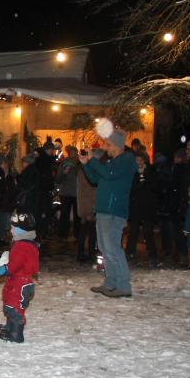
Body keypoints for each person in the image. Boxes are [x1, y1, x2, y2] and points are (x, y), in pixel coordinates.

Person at [81, 123, 137, 298]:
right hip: (105, 210)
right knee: (105, 248)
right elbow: (96, 179)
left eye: (108, 144)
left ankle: (123, 285)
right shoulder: (113, 162)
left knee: (113, 248)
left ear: (117, 145)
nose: (105, 148)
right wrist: (86, 165)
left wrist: (93, 161)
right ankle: (111, 282)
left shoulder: (126, 160)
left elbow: (108, 174)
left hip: (114, 211)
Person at [0, 212, 38, 343]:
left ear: (20, 230)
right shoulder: (24, 244)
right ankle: (10, 327)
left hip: (20, 283)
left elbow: (16, 263)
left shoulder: (22, 246)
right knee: (10, 305)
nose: (11, 230)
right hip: (18, 281)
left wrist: (5, 269)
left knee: (15, 308)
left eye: (13, 228)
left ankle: (16, 333)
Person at [125, 152, 160, 266]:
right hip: (135, 206)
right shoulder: (131, 172)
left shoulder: (151, 171)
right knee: (133, 231)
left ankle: (153, 255)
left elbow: (156, 188)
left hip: (147, 206)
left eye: (140, 160)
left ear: (144, 160)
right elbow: (129, 189)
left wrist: (146, 181)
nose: (138, 162)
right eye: (136, 160)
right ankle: (130, 253)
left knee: (148, 232)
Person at [75, 150, 98, 263]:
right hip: (89, 205)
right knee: (90, 231)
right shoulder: (87, 171)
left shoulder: (81, 170)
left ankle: (82, 253)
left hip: (84, 205)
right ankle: (90, 254)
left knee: (84, 230)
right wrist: (92, 206)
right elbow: (90, 190)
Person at [55, 146, 80, 239]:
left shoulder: (80, 163)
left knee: (77, 215)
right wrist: (64, 174)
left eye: (73, 152)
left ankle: (77, 234)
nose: (72, 154)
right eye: (70, 152)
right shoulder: (64, 163)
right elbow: (58, 179)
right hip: (66, 193)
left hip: (76, 193)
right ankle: (63, 234)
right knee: (65, 214)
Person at [0, 155, 17, 248]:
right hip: (0, 204)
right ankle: (1, 239)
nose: (0, 166)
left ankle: (6, 239)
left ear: (5, 164)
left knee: (6, 224)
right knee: (0, 223)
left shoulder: (10, 177)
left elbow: (13, 191)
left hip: (7, 204)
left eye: (1, 164)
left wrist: (13, 204)